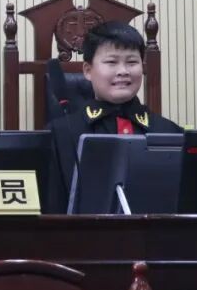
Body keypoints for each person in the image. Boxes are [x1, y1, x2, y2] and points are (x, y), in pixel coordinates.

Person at [47, 20, 182, 212]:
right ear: (88, 70)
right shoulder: (60, 134)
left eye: (132, 62)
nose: (123, 71)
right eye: (111, 62)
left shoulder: (169, 132)